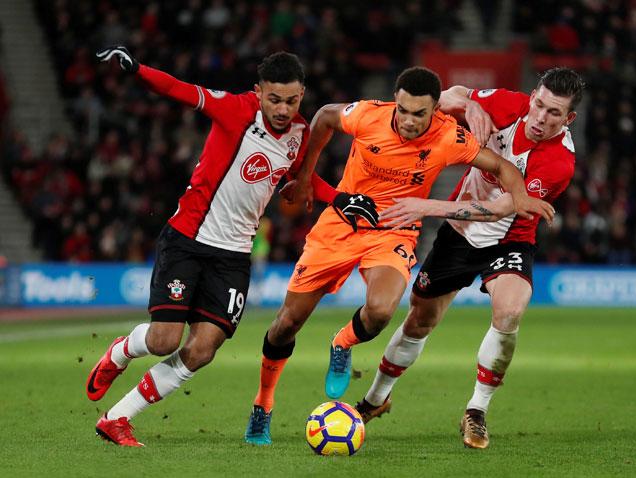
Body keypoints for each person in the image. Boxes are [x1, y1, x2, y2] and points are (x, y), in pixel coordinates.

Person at [244, 66, 555, 445]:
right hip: (340, 225)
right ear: (395, 101)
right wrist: (307, 176)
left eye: (418, 114)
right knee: (287, 323)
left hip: (393, 230)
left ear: (435, 110)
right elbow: (325, 115)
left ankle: (342, 342)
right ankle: (263, 403)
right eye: (402, 110)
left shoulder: (448, 136)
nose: (408, 121)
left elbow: (503, 166)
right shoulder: (368, 114)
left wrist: (521, 198)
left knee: (381, 311)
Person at [86, 46, 378, 447]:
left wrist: (341, 198)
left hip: (234, 255)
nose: (282, 108)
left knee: (203, 349)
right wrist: (138, 70)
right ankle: (120, 353)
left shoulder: (300, 134)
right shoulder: (235, 109)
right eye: (274, 99)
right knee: (163, 342)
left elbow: (298, 179)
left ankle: (117, 418)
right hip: (188, 239)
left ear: (302, 95)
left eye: (291, 101)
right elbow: (182, 90)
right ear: (258, 92)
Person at [355, 67, 586, 450]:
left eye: (554, 114)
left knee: (510, 310)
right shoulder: (509, 104)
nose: (541, 118)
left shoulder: (558, 162)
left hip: (510, 239)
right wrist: (470, 105)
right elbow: (442, 97)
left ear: (569, 119)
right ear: (532, 96)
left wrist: (425, 206)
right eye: (539, 105)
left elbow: (499, 210)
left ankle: (476, 410)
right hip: (458, 239)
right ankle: (375, 400)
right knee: (419, 320)